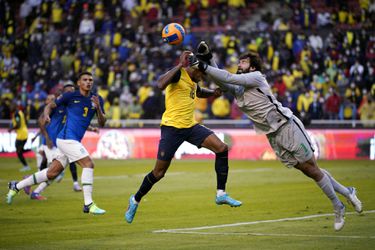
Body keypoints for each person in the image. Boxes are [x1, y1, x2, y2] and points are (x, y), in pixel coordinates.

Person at [188, 42, 362, 231]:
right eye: (239, 62)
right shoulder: (238, 88)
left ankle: (338, 206)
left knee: (312, 168)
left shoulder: (256, 77)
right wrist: (209, 57)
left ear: (252, 67)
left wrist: (203, 64)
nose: (239, 64)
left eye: (243, 62)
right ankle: (348, 192)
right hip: (272, 135)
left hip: (286, 126)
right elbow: (223, 80)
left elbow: (227, 76)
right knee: (310, 170)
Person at [125, 51, 241, 224]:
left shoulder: (193, 83)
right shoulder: (178, 73)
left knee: (222, 148)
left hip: (190, 126)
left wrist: (213, 93)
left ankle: (221, 194)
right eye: (202, 74)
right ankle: (135, 200)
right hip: (171, 129)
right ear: (194, 69)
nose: (202, 77)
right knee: (159, 173)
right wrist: (180, 64)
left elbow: (199, 91)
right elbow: (160, 84)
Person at [6, 72, 107, 215]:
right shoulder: (70, 96)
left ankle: (16, 186)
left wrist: (98, 108)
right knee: (89, 164)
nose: (88, 82)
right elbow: (50, 105)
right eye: (85, 80)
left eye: (90, 80)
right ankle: (88, 204)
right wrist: (46, 114)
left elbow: (102, 122)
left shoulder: (97, 99)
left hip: (72, 140)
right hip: (66, 139)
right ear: (79, 83)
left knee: (51, 173)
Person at [8, 103, 31, 172]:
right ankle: (30, 150)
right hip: (23, 133)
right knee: (19, 150)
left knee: (18, 151)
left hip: (22, 135)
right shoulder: (20, 112)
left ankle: (26, 166)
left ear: (15, 107)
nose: (10, 107)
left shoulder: (16, 114)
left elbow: (18, 124)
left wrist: (11, 129)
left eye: (12, 106)